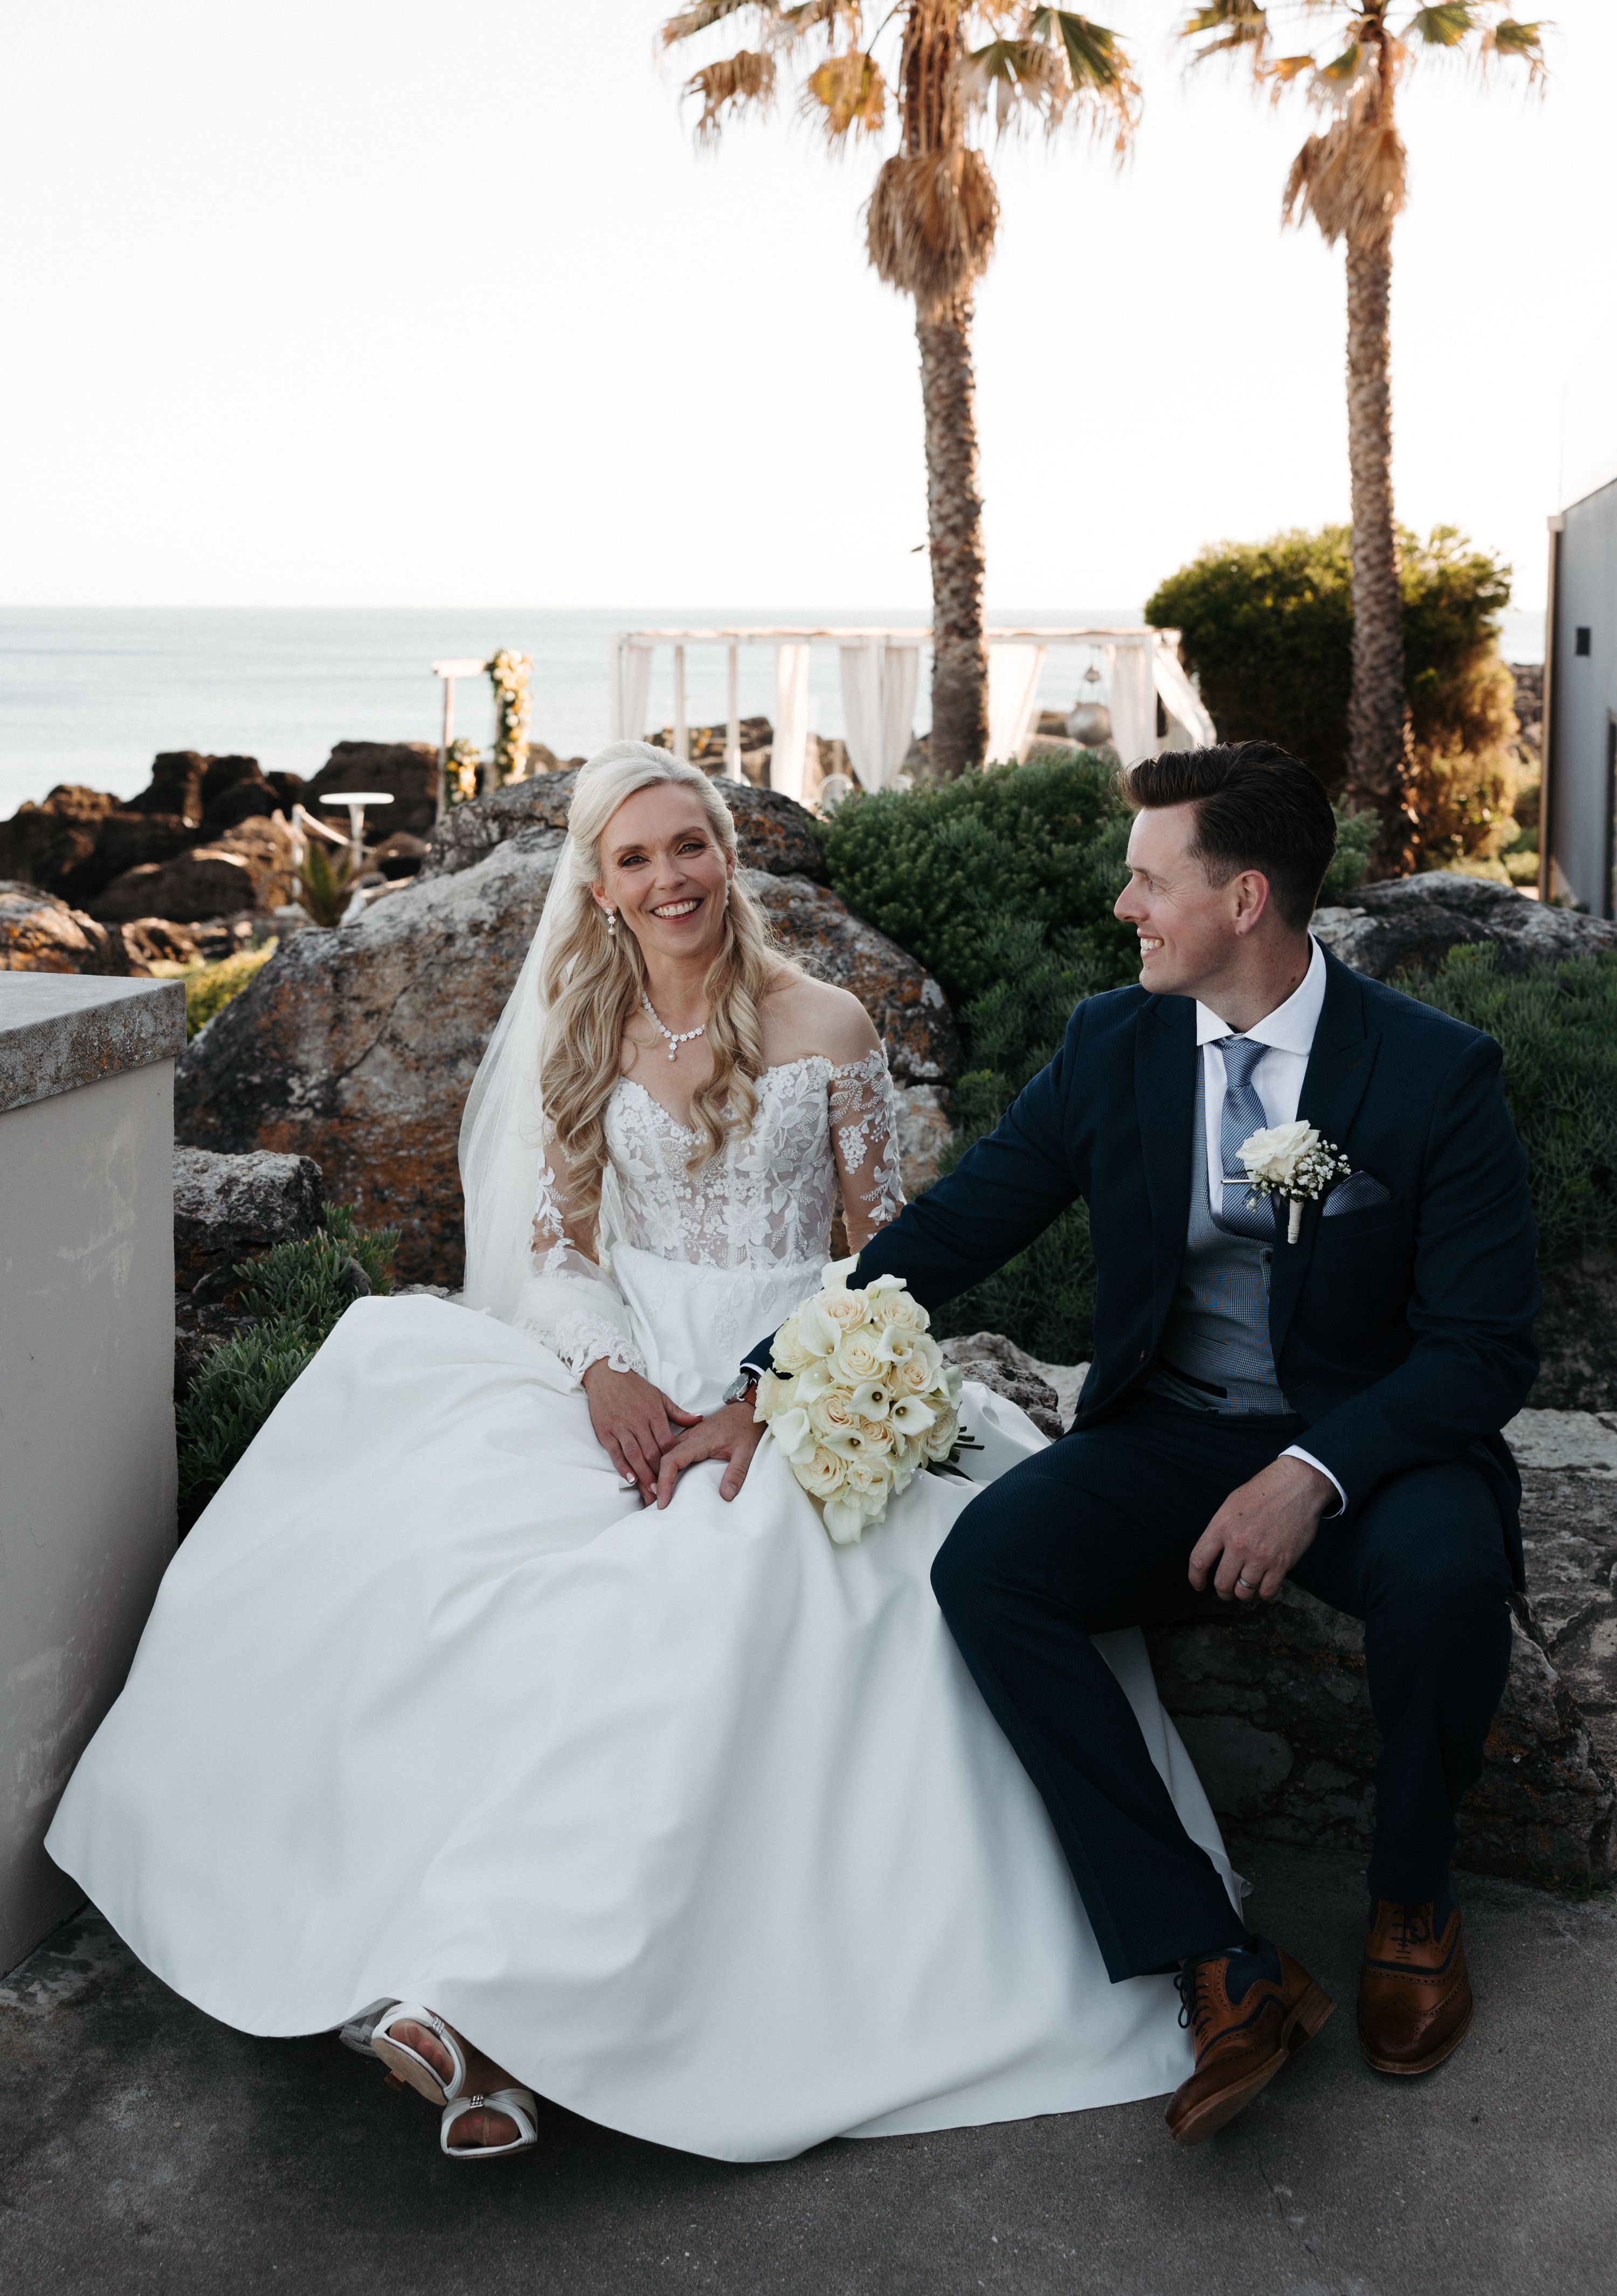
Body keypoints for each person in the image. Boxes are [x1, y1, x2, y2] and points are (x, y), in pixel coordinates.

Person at [46, 739, 1240, 2167]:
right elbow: (556, 1248)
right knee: (452, 1576)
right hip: (621, 1378)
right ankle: (466, 1991)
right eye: (636, 856)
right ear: (600, 887)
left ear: (725, 856)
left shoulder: (829, 1025)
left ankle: (488, 2007)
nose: (670, 876)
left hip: (797, 1393)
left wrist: (786, 1388)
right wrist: (606, 1370)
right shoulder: (581, 1031)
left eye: (691, 845)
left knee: (701, 1606)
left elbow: (883, 1257)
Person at [688, 738, 1539, 2146]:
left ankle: (1412, 1898)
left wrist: (1312, 1473)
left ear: (1247, 897)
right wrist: (766, 1371)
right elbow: (957, 1228)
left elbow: (1482, 1347)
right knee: (993, 1570)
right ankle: (1215, 1955)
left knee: (1448, 1579)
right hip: (1170, 1434)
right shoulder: (1113, 1043)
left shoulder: (1434, 1075)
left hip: (1374, 1445)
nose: (1123, 905)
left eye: (1150, 879)